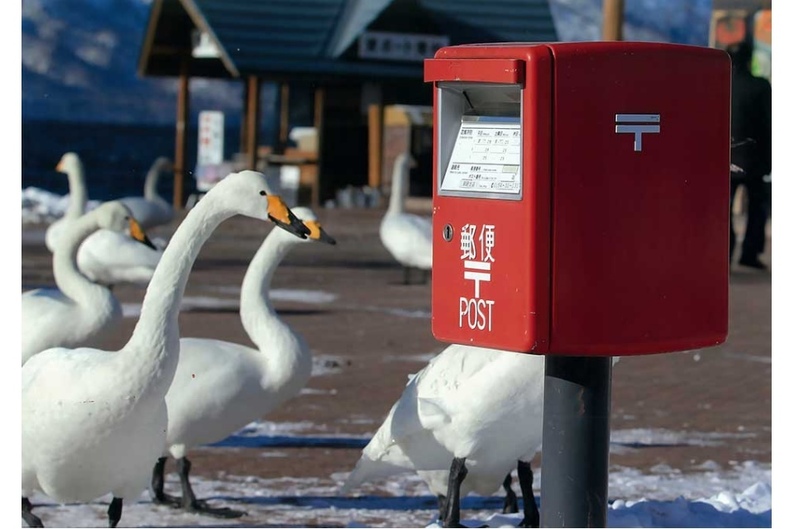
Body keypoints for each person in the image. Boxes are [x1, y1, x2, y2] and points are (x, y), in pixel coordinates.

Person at [726, 40, 772, 270]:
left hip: (725, 159)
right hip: (755, 160)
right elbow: (768, 125)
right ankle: (749, 254)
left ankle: (725, 253)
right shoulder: (761, 86)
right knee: (757, 208)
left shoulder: (721, 85)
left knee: (723, 211)